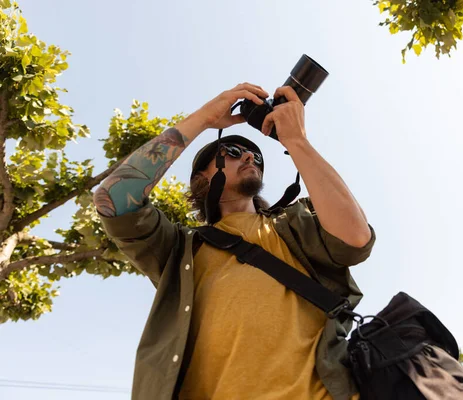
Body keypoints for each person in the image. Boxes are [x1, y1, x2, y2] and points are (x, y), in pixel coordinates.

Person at [93, 82, 376, 400]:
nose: (250, 158)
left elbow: (356, 238)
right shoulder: (179, 248)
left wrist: (296, 140)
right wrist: (203, 119)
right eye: (232, 153)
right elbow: (112, 199)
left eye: (256, 155)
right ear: (202, 179)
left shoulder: (297, 223)